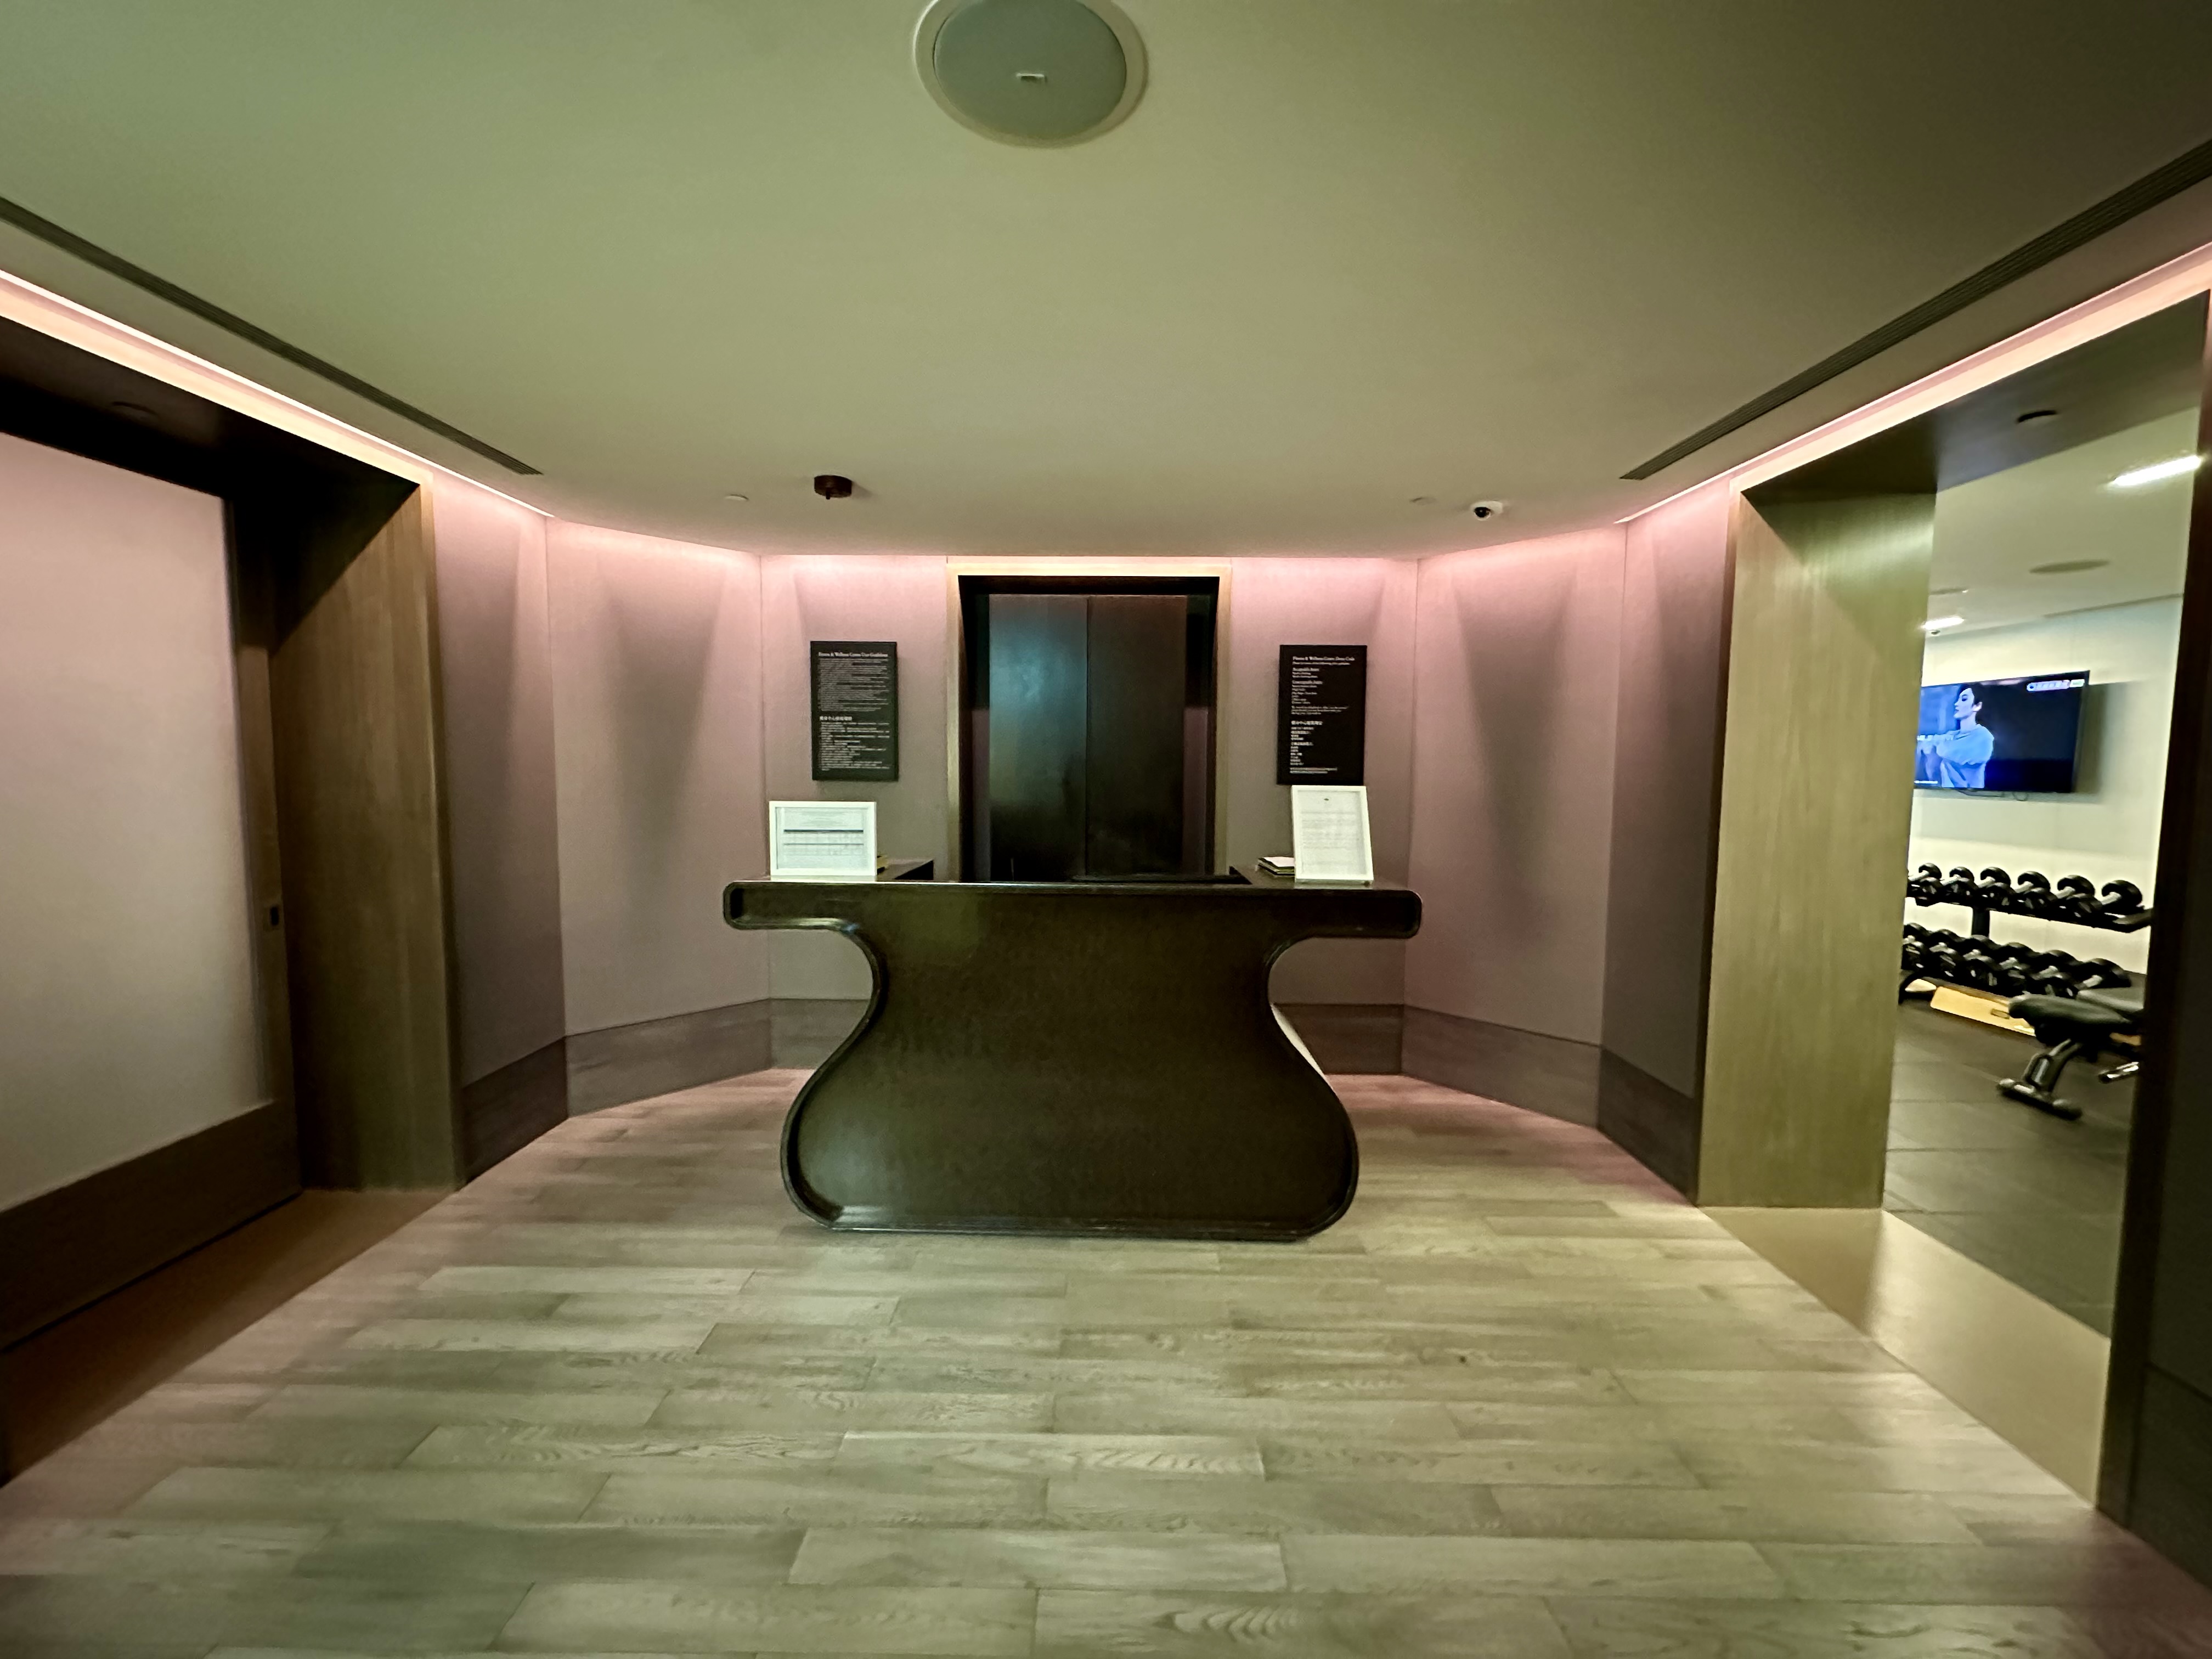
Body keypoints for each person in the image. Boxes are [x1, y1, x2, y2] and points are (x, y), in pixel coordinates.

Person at [1918, 684, 1995, 788]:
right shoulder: (1952, 735)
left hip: (1970, 800)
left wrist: (1932, 748)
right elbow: (1929, 742)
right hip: (1941, 796)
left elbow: (1945, 750)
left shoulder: (1984, 737)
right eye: (1958, 699)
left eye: (1964, 700)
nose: (1957, 704)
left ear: (1977, 706)